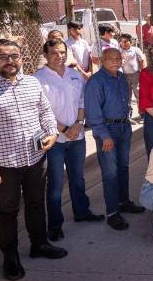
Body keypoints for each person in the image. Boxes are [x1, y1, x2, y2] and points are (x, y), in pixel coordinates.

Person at [0, 39, 65, 280]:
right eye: (3, 56)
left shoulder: (31, 83)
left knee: (36, 204)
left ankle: (39, 244)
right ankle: (10, 256)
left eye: (15, 56)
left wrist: (51, 132)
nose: (10, 61)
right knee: (8, 211)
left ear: (21, 58)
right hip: (3, 165)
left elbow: (45, 112)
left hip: (35, 158)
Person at [34, 39, 104, 242]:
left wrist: (78, 123)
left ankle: (82, 212)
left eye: (63, 52)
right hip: (55, 139)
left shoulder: (74, 74)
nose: (60, 56)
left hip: (77, 135)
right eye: (54, 53)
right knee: (55, 184)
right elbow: (41, 111)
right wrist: (64, 128)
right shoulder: (38, 79)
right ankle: (55, 225)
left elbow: (83, 101)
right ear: (46, 55)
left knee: (78, 178)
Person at [85, 48, 146, 232]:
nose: (115, 61)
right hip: (107, 131)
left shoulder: (121, 77)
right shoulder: (96, 82)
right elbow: (93, 112)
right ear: (102, 60)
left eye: (118, 58)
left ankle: (123, 201)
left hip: (124, 127)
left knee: (123, 167)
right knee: (110, 173)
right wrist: (104, 136)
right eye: (111, 58)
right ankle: (112, 213)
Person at [118, 34, 146, 120]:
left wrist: (143, 72)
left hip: (136, 75)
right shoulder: (118, 51)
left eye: (126, 41)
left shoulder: (135, 50)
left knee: (138, 94)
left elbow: (142, 60)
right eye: (122, 41)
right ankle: (128, 112)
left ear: (130, 42)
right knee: (127, 95)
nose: (124, 43)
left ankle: (142, 112)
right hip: (124, 76)